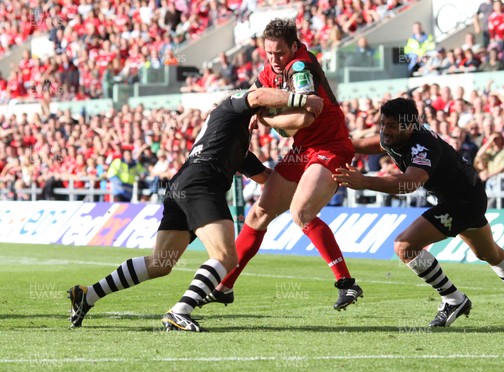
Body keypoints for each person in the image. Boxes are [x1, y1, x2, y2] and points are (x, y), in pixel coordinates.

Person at [67, 87, 324, 332]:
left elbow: (269, 179)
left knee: (160, 263)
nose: (263, 121)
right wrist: (302, 101)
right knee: (226, 257)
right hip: (202, 183)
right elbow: (256, 96)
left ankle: (88, 295)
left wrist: (314, 178)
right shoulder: (229, 109)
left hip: (182, 184)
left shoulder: (233, 141)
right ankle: (180, 310)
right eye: (264, 114)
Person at [334, 98, 504, 327]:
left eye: (391, 126)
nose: (385, 130)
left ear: (410, 125)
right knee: (488, 253)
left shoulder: (422, 146)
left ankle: (453, 299)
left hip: (462, 201)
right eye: (382, 123)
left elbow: (410, 183)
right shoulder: (398, 135)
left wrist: (364, 181)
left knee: (404, 246)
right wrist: (335, 145)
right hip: (466, 195)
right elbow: (374, 143)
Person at [201, 18, 363, 311]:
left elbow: (302, 120)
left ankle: (347, 284)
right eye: (269, 53)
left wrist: (264, 118)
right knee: (257, 215)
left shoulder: (300, 68)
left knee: (301, 213)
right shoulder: (269, 71)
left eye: (280, 53)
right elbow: (249, 97)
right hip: (303, 150)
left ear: (294, 46)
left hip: (331, 146)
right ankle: (224, 286)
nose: (275, 60)